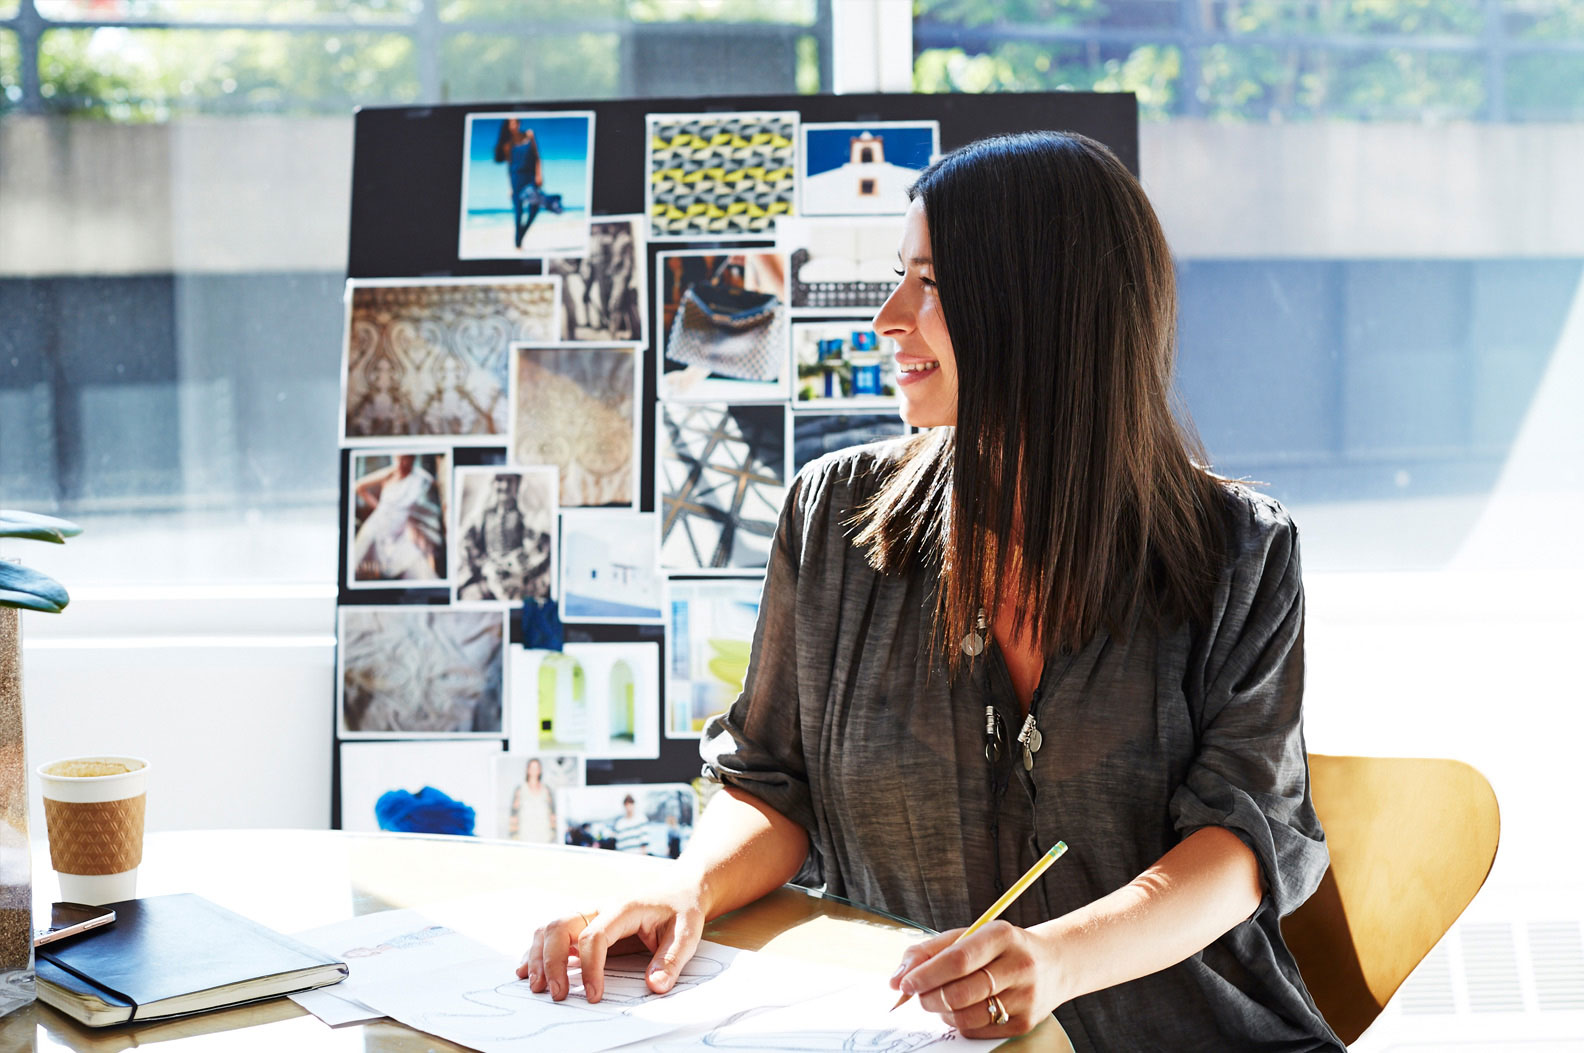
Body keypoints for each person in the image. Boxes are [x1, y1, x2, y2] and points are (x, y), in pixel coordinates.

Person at [519, 132, 1340, 1051]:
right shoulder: (833, 517)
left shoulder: (1241, 549)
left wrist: (1056, 959)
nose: (887, 317)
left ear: (1045, 309)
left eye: (932, 284)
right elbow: (770, 784)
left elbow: (1242, 843)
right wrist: (686, 886)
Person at [350, 454, 442, 582]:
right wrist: (379, 507)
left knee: (414, 561)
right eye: (397, 459)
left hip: (400, 527)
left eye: (405, 459)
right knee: (358, 562)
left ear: (412, 459)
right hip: (378, 524)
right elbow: (359, 486)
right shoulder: (390, 473)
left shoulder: (420, 478)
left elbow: (430, 500)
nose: (400, 463)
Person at [493, 118, 564, 250]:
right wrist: (510, 187)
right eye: (511, 123)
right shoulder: (508, 144)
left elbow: (537, 157)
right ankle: (518, 244)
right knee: (518, 212)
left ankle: (520, 237)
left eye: (516, 122)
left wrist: (539, 174)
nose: (514, 125)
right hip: (516, 179)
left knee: (534, 208)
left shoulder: (529, 135)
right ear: (508, 126)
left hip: (530, 177)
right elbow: (509, 166)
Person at [508, 758, 556, 844]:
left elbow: (552, 814)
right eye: (532, 767)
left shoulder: (547, 790)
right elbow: (513, 815)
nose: (535, 770)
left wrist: (553, 832)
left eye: (537, 767)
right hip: (525, 836)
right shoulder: (520, 790)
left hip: (544, 836)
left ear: (540, 770)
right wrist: (514, 835)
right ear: (527, 770)